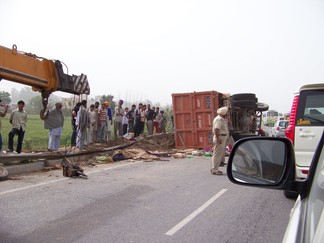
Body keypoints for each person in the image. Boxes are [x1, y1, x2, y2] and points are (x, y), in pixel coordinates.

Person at [211, 106, 229, 175]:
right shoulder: (218, 119)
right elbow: (216, 129)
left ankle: (216, 167)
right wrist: (218, 139)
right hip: (220, 138)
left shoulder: (222, 119)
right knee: (217, 154)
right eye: (227, 112)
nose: (228, 113)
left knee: (219, 153)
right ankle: (215, 169)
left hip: (222, 137)